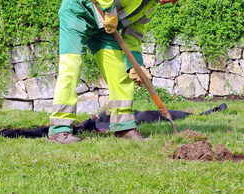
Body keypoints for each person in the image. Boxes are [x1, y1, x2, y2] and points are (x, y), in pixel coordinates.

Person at [48, 0, 178, 144]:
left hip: (106, 28)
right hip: (78, 12)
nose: (173, 3)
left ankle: (123, 126)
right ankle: (59, 129)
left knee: (120, 72)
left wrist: (137, 65)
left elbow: (134, 34)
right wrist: (110, 11)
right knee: (71, 67)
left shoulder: (151, 5)